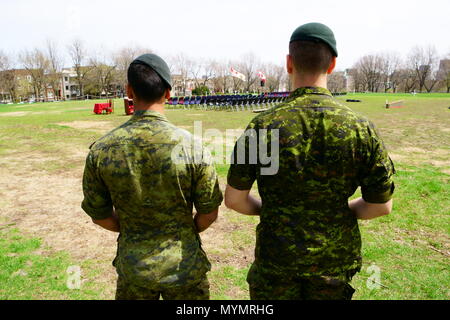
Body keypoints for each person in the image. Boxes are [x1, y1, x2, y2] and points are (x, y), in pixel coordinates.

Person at [225, 22, 395, 300]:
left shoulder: (262, 126)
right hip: (332, 265)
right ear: (332, 65)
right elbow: (380, 205)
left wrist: (275, 211)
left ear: (289, 63)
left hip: (275, 263)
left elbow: (234, 200)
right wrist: (338, 212)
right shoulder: (361, 128)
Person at [81, 54, 223, 300]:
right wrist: (186, 233)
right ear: (168, 93)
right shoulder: (192, 148)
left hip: (135, 270)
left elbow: (100, 215)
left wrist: (133, 231)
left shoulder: (102, 150)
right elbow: (209, 213)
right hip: (184, 269)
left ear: (129, 91)